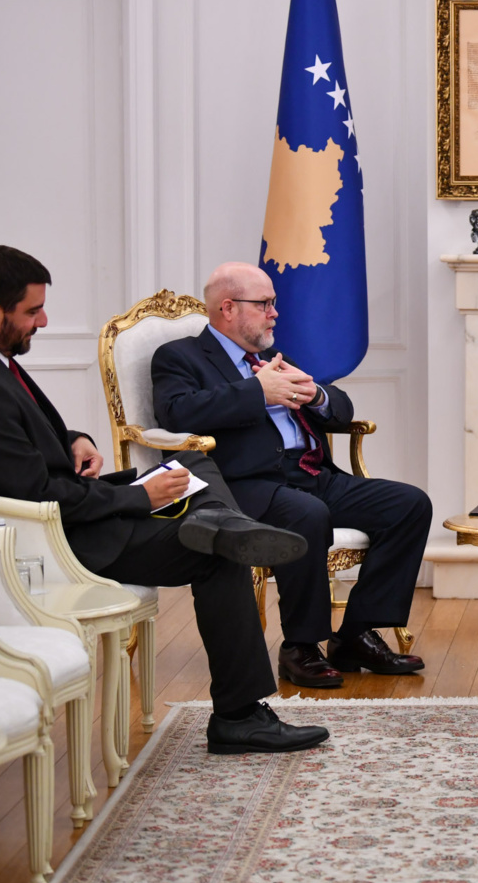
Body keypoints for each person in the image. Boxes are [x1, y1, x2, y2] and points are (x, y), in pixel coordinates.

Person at [0, 246, 328, 754]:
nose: (43, 321)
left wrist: (72, 440)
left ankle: (221, 519)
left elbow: (14, 441)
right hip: (47, 541)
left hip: (56, 512)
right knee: (219, 552)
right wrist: (137, 497)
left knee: (189, 461)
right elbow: (38, 494)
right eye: (33, 311)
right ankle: (238, 717)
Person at [150, 261, 431, 688]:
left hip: (313, 475)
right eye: (264, 304)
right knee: (307, 514)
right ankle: (301, 646)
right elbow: (177, 413)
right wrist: (256, 392)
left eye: (273, 303)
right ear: (228, 308)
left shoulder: (272, 357)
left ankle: (356, 635)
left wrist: (316, 395)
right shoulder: (179, 357)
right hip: (245, 484)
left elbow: (341, 408)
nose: (275, 313)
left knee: (409, 505)